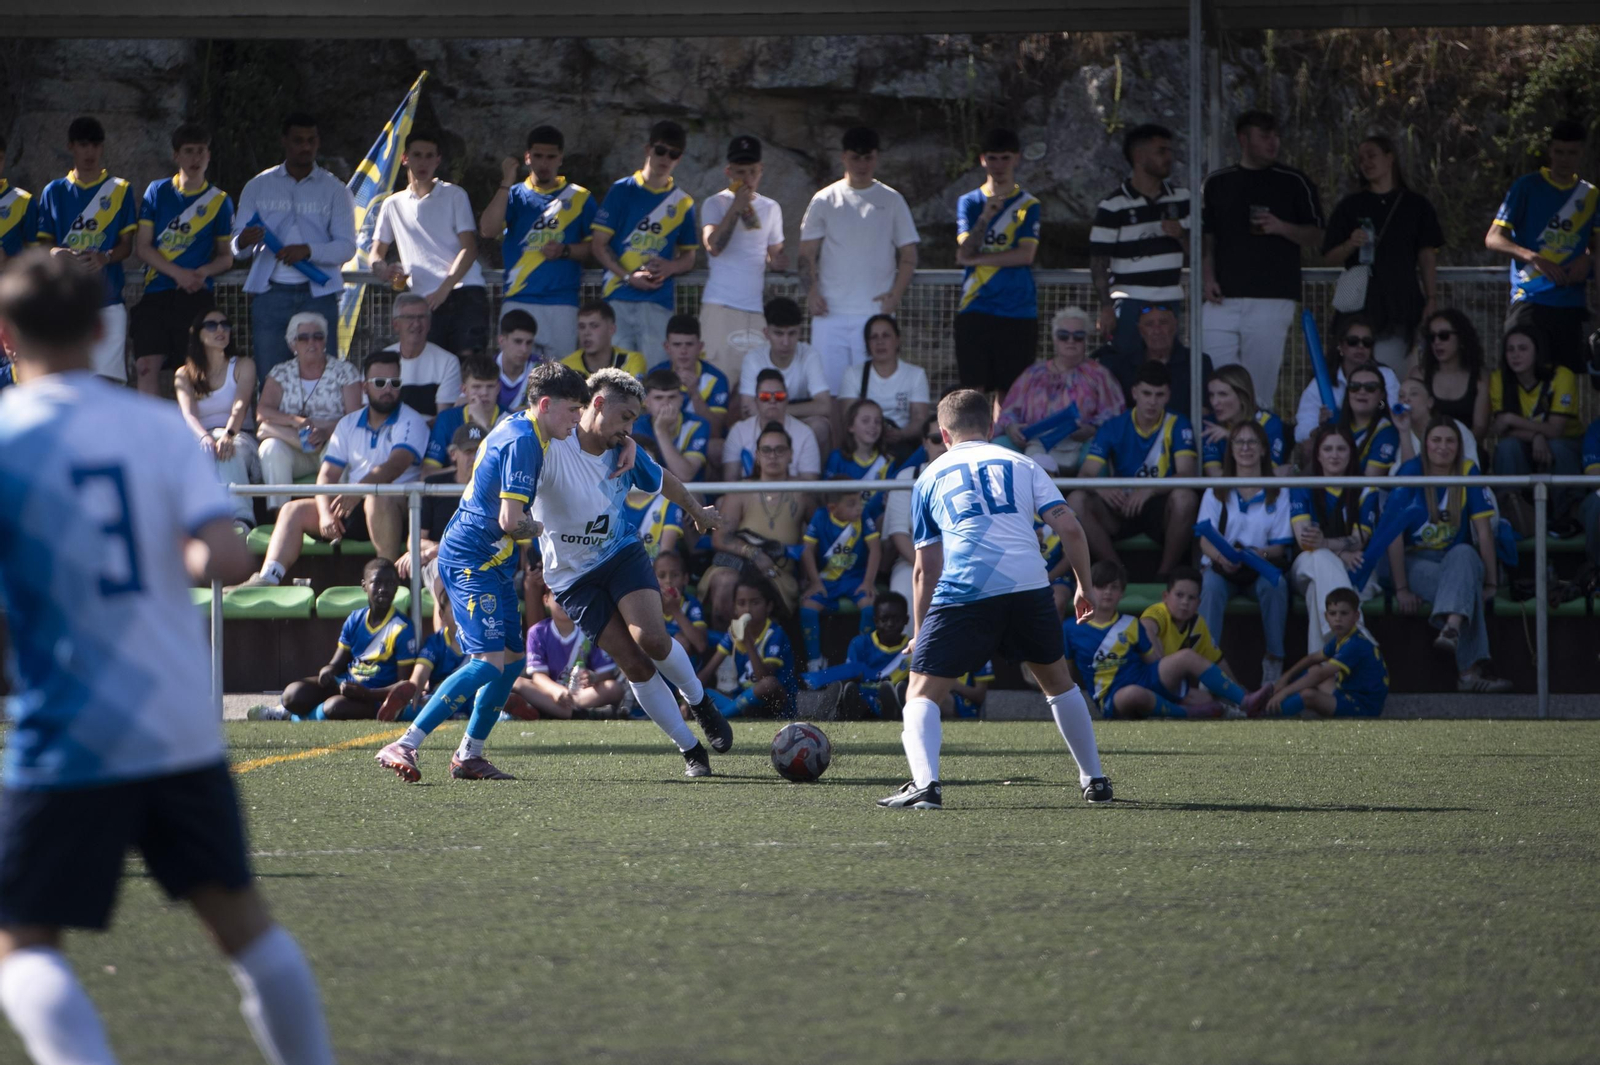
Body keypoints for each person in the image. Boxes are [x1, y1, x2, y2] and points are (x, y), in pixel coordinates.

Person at [0, 248, 336, 1065]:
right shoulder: (152, 426)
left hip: (68, 723)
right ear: (97, 329)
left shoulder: (8, 442)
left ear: (6, 337)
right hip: (178, 716)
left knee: (24, 943)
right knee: (244, 926)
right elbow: (223, 558)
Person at [880, 388, 1108, 811]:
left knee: (920, 693)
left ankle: (925, 786)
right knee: (1059, 684)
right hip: (1029, 585)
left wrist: (921, 629)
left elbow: (924, 568)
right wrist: (1084, 586)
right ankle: (1094, 780)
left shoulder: (928, 476)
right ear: (991, 428)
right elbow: (1072, 529)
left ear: (944, 436)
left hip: (966, 589)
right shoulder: (1024, 464)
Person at [377, 363, 592, 782]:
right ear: (546, 405)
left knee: (511, 664)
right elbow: (512, 520)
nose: (577, 419)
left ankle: (469, 755)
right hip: (472, 558)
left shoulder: (527, 427)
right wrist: (552, 530)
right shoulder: (525, 442)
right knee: (489, 662)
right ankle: (405, 742)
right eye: (572, 410)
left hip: (491, 559)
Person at [518, 368, 733, 775]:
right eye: (626, 417)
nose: (630, 428)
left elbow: (664, 479)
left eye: (635, 420)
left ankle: (701, 701)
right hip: (571, 580)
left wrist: (696, 511)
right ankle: (690, 749)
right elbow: (524, 421)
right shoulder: (549, 442)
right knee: (633, 664)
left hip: (620, 553)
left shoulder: (624, 449)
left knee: (651, 638)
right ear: (596, 404)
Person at [244, 351, 428, 585]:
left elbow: (395, 465)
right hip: (353, 503)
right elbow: (327, 474)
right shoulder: (348, 423)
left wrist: (358, 491)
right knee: (292, 510)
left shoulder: (411, 420)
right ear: (364, 387)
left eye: (395, 383)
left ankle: (387, 579)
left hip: (399, 508)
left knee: (377, 497)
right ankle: (268, 579)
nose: (388, 389)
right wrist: (324, 513)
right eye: (380, 383)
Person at [1201, 110, 1325, 408]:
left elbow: (1316, 234)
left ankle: (1257, 446)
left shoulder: (1295, 181)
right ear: (1244, 139)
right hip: (1222, 298)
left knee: (1258, 389)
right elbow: (1206, 237)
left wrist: (1281, 227)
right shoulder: (1217, 182)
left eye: (1275, 136)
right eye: (1264, 136)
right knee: (1217, 385)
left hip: (1272, 297)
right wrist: (1206, 277)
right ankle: (1221, 449)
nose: (1273, 143)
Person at [1384, 417, 1512, 694]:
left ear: (1459, 445)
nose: (1443, 447)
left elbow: (1484, 532)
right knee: (1466, 589)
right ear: (1425, 444)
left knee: (1465, 554)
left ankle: (1451, 626)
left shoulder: (1468, 470)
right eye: (1436, 440)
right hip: (1416, 561)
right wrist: (1402, 588)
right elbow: (1392, 535)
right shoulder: (1410, 471)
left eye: (1450, 441)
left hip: (1456, 560)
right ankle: (1468, 673)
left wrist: (1491, 582)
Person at [232, 112, 356, 381]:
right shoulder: (257, 186)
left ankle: (323, 425)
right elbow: (236, 248)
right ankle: (273, 424)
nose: (305, 147)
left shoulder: (335, 189)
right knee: (272, 377)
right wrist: (244, 239)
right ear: (284, 142)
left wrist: (309, 250)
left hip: (319, 294)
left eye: (311, 140)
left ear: (318, 143)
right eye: (298, 140)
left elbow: (347, 248)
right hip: (270, 293)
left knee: (324, 377)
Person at [1064, 560, 1270, 719]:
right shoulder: (1071, 628)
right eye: (1101, 586)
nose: (1108, 592)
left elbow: (1153, 661)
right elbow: (1066, 671)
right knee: (1134, 694)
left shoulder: (1130, 623)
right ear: (1087, 589)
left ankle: (1245, 701)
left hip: (1144, 678)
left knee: (1187, 658)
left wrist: (1174, 680)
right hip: (1112, 695)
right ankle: (1185, 712)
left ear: (1122, 593)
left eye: (1114, 587)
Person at [798, 127, 920, 393]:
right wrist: (812, 291)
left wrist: (895, 295)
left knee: (871, 394)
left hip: (874, 314)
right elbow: (806, 252)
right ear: (844, 157)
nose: (862, 164)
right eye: (856, 157)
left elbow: (909, 255)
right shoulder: (824, 199)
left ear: (876, 157)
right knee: (829, 392)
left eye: (868, 158)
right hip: (830, 314)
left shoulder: (892, 200)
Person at [1319, 134, 1443, 376]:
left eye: (1372, 155)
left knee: (1396, 372)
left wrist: (1431, 297)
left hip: (1400, 302)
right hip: (1358, 302)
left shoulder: (1417, 205)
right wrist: (1350, 245)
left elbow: (1427, 255)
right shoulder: (1349, 206)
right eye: (1361, 159)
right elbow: (1328, 256)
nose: (1366, 162)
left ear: (1390, 158)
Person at [1067, 361, 1200, 579]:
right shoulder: (1113, 425)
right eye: (1147, 393)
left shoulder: (1178, 423)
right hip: (1121, 507)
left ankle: (1165, 575)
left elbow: (1187, 474)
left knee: (1185, 498)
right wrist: (1103, 489)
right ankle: (1117, 573)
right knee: (1076, 500)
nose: (1152, 401)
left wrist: (1150, 490)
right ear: (1135, 392)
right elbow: (1086, 474)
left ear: (1168, 396)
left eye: (1159, 395)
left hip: (1160, 507)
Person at [1485, 119, 1598, 375]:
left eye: (1572, 153)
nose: (1564, 159)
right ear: (1550, 151)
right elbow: (1493, 238)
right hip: (1529, 298)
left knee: (1566, 382)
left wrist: (1589, 259)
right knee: (1520, 375)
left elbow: (1596, 249)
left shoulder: (1590, 195)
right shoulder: (1527, 186)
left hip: (1570, 303)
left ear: (1582, 153)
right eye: (1559, 152)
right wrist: (1533, 257)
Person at [131, 123, 235, 395]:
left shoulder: (220, 201)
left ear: (209, 155)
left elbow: (226, 258)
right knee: (145, 365)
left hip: (197, 294)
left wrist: (201, 272)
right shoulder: (157, 191)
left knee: (193, 370)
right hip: (157, 292)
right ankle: (146, 436)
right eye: (188, 152)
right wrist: (178, 273)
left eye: (201, 151)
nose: (195, 158)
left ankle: (193, 435)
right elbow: (142, 247)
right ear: (176, 156)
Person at [35, 116, 137, 384]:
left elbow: (127, 246)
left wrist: (106, 257)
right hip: (64, 301)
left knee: (108, 385)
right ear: (71, 147)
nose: (89, 151)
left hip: (109, 302)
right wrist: (55, 253)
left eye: (95, 144)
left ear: (102, 148)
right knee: (64, 383)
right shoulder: (53, 191)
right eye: (83, 144)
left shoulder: (120, 189)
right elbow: (43, 245)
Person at [254, 559, 420, 722]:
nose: (383, 589)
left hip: (374, 697)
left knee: (334, 707)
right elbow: (337, 663)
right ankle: (286, 710)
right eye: (377, 583)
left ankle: (291, 715)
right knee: (292, 694)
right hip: (346, 685)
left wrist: (366, 693)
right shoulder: (355, 618)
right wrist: (329, 671)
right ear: (364, 586)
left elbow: (402, 686)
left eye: (390, 584)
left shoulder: (402, 627)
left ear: (397, 587)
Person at [480, 125, 595, 361]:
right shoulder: (513, 194)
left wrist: (565, 250)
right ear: (527, 157)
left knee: (562, 376)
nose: (544, 163)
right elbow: (487, 230)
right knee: (513, 372)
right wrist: (506, 181)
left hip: (562, 301)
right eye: (538, 156)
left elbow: (597, 247)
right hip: (518, 299)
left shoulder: (581, 197)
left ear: (560, 158)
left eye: (551, 157)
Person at [371, 131, 487, 358]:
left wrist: (445, 288)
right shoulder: (392, 204)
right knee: (432, 368)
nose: (422, 162)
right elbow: (376, 253)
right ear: (405, 158)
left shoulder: (455, 195)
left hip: (464, 292)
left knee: (470, 368)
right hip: (423, 301)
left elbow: (469, 248)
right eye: (417, 155)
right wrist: (383, 270)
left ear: (437, 160)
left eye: (429, 156)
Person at [1197, 419, 1293, 685]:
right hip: (1222, 566)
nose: (1246, 448)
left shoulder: (1278, 490)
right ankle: (1207, 668)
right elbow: (1204, 540)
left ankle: (1274, 661)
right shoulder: (1217, 489)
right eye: (1239, 442)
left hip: (1260, 566)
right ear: (1231, 449)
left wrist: (1254, 555)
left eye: (1253, 442)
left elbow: (1280, 546)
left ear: (1264, 450)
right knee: (1211, 587)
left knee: (1276, 585)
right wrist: (1221, 557)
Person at [590, 120, 699, 354]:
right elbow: (599, 245)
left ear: (678, 159)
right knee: (617, 381)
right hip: (618, 299)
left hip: (657, 302)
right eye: (660, 150)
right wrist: (629, 277)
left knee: (655, 379)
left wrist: (671, 266)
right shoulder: (621, 190)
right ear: (647, 149)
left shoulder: (683, 202)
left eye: (673, 154)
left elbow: (689, 256)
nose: (665, 158)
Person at [954, 128, 1041, 400]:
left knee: (1011, 394)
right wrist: (984, 219)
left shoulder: (1028, 204)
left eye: (1005, 158)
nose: (999, 165)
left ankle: (1005, 443)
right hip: (976, 306)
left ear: (1016, 159)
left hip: (1017, 310)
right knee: (973, 393)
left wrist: (977, 259)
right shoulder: (969, 202)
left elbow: (1025, 255)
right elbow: (963, 250)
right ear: (983, 160)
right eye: (992, 158)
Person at [1090, 123, 1191, 358]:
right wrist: (1106, 307)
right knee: (1126, 366)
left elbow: (1199, 252)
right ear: (1139, 156)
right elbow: (1098, 261)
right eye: (1161, 151)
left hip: (1170, 300)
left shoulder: (1184, 198)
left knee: (1167, 370)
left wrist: (1182, 235)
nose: (1169, 158)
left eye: (1170, 151)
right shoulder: (1113, 205)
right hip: (1128, 302)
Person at [701, 423, 815, 627]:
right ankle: (728, 651)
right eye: (766, 450)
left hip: (778, 573)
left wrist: (811, 577)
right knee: (724, 580)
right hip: (738, 565)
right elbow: (720, 538)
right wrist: (754, 553)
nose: (773, 456)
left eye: (780, 450)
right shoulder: (741, 490)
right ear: (757, 455)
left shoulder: (803, 491)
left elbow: (817, 536)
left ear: (790, 455)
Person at [254, 310, 363, 513]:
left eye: (317, 336)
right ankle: (279, 513)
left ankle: (336, 514)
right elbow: (262, 411)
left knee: (340, 444)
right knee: (270, 447)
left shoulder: (345, 371)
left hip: (332, 441)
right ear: (292, 344)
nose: (311, 342)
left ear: (325, 341)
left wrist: (326, 431)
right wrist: (296, 421)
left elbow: (355, 417)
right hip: (294, 444)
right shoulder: (280, 372)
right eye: (303, 338)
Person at [700, 135, 786, 391]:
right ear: (728, 172)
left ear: (761, 171)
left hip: (755, 309)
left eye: (752, 171)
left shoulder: (771, 207)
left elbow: (774, 254)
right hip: (720, 306)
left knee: (754, 384)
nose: (747, 178)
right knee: (717, 382)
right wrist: (736, 207)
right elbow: (713, 245)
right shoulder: (715, 203)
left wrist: (779, 261)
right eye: (740, 172)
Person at [995, 306, 1125, 473]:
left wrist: (1092, 428)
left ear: (1086, 339)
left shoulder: (1099, 375)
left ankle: (1084, 497)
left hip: (1079, 442)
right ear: (1054, 339)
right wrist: (1012, 428)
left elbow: (1115, 414)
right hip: (1032, 442)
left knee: (1096, 455)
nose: (1070, 341)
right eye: (1064, 336)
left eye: (1078, 336)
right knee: (1000, 447)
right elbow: (1008, 411)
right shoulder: (1033, 374)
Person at [1290, 424, 1380, 652]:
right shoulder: (1302, 485)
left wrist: (1326, 544)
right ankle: (1356, 636)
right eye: (1328, 449)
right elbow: (1306, 542)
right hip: (1306, 564)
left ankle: (1321, 670)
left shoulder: (1365, 487)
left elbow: (1360, 540)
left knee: (1316, 592)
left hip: (1356, 570)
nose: (1334, 455)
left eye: (1341, 449)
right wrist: (1338, 551)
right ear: (1317, 454)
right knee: (1318, 557)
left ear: (1351, 453)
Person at [1488, 323, 1585, 534]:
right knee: (1507, 447)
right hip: (1525, 447)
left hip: (1567, 447)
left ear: (1537, 351)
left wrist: (1514, 419)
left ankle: (1567, 518)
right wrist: (1537, 435)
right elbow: (1500, 429)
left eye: (1523, 349)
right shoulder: (1498, 379)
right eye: (1510, 349)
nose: (1515, 355)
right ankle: (1513, 516)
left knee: (1558, 446)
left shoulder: (1562, 376)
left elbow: (1556, 431)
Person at [173, 309, 259, 530]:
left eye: (225, 324)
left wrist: (228, 435)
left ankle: (241, 519)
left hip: (239, 436)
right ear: (199, 334)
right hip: (201, 437)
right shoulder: (184, 374)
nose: (220, 329)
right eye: (212, 325)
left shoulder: (243, 365)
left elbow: (240, 406)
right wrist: (203, 437)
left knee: (225, 449)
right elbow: (188, 414)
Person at [1263, 588, 1389, 718]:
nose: (1338, 619)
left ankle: (1269, 714)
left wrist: (1285, 692)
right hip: (1348, 693)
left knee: (1308, 695)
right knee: (1313, 669)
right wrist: (1285, 678)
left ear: (1356, 616)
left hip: (1363, 708)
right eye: (1333, 614)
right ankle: (1277, 704)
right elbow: (1312, 658)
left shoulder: (1355, 644)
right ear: (1326, 617)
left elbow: (1320, 675)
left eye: (1344, 613)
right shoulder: (1342, 638)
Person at [736, 297, 834, 456]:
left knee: (821, 427)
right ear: (766, 333)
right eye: (779, 333)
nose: (786, 342)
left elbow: (825, 406)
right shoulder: (753, 359)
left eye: (792, 333)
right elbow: (747, 411)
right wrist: (801, 408)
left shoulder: (809, 355)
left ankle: (816, 480)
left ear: (800, 332)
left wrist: (774, 409)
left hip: (797, 425)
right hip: (763, 427)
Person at [508, 591, 625, 720]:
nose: (563, 602)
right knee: (518, 683)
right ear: (546, 600)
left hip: (581, 695)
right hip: (549, 692)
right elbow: (539, 676)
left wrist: (592, 677)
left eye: (569, 596)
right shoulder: (537, 632)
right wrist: (556, 691)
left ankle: (550, 710)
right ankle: (579, 714)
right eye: (557, 596)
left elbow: (605, 673)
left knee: (614, 688)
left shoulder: (591, 630)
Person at [1291, 312, 1402, 448]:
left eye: (1367, 342)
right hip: (1336, 451)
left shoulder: (1386, 375)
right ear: (1341, 346)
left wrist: (1375, 408)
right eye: (1353, 341)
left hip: (1377, 442)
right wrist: (1320, 428)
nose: (1360, 347)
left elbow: (1397, 415)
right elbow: (1301, 431)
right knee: (1309, 447)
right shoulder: (1321, 383)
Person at [799, 487, 880, 670]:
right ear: (833, 508)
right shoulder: (821, 516)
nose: (858, 507)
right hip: (826, 580)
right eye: (851, 504)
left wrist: (868, 581)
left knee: (869, 608)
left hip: (855, 579)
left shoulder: (863, 515)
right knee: (808, 609)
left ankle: (863, 658)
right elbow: (807, 550)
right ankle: (815, 661)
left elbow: (875, 548)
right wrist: (815, 582)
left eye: (859, 502)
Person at [697, 571, 798, 716]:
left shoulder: (775, 634)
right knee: (701, 692)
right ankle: (735, 711)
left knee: (768, 684)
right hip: (744, 701)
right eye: (741, 603)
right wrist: (687, 692)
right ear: (735, 608)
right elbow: (708, 670)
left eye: (755, 602)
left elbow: (765, 679)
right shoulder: (734, 631)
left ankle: (724, 715)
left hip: (774, 703)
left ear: (768, 606)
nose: (747, 609)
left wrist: (749, 643)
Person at [1138, 567, 1240, 705]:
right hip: (1141, 680)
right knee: (1186, 656)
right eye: (1179, 595)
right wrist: (1162, 666)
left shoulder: (1198, 623)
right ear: (1165, 597)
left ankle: (1242, 700)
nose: (1185, 602)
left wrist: (1239, 690)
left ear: (1198, 603)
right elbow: (1146, 628)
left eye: (1191, 598)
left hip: (1169, 686)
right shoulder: (1158, 611)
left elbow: (1218, 662)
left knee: (1206, 700)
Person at [833, 314, 930, 459]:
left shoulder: (916, 374)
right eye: (874, 337)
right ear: (867, 343)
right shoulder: (853, 374)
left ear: (897, 340)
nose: (880, 342)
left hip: (902, 444)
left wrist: (901, 434)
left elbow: (920, 419)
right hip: (863, 445)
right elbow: (848, 417)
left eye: (886, 335)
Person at [1095, 303, 1212, 421]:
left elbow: (1205, 411)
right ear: (1140, 330)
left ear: (1175, 326)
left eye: (1163, 323)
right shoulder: (1122, 366)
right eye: (1149, 324)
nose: (1157, 330)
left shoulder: (1199, 362)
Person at [883, 414, 945, 623]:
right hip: (912, 561)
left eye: (949, 438)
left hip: (961, 563)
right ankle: (910, 656)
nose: (943, 445)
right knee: (904, 595)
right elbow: (899, 534)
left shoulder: (973, 476)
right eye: (937, 439)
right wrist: (930, 567)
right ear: (925, 443)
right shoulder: (907, 476)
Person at [646, 313, 730, 450]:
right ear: (667, 347)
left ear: (700, 347)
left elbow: (715, 431)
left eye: (689, 344)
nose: (683, 351)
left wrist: (694, 393)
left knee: (717, 448)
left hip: (699, 440)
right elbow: (645, 419)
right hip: (662, 438)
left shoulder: (717, 379)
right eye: (677, 345)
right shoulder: (655, 374)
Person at [722, 368, 822, 480]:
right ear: (756, 401)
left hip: (791, 496)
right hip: (748, 496)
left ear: (787, 399)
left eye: (779, 396)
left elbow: (809, 487)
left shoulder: (805, 434)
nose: (772, 401)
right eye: (765, 397)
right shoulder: (738, 431)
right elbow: (730, 483)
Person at [826, 593, 913, 720]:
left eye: (896, 619)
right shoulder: (859, 644)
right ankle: (852, 710)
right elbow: (852, 675)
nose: (890, 624)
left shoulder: (912, 648)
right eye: (884, 619)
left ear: (906, 620)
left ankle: (895, 709)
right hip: (864, 697)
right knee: (851, 690)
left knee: (904, 691)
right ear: (875, 621)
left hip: (894, 695)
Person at [1416, 308, 1491, 442]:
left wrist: (1455, 449)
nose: (1437, 342)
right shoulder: (1420, 374)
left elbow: (1480, 428)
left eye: (1444, 336)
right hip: (1427, 450)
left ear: (1461, 338)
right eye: (1432, 337)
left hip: (1467, 450)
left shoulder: (1479, 376)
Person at [384, 293, 462, 420]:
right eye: (409, 318)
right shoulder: (380, 361)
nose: (416, 324)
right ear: (396, 325)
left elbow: (443, 418)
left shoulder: (448, 362)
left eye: (421, 317)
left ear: (430, 323)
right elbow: (372, 412)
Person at [1201, 364, 1287, 476]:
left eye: (1223, 394)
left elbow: (1267, 475)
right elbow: (1215, 476)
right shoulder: (1211, 424)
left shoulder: (1269, 423)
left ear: (1242, 396)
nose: (1214, 402)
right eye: (1211, 395)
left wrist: (1232, 437)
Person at [634, 367, 711, 484]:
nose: (666, 403)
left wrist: (661, 432)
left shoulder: (698, 425)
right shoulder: (635, 426)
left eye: (672, 397)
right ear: (646, 402)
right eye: (658, 398)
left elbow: (685, 475)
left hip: (688, 492)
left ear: (681, 399)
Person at [1392, 374, 1478, 472]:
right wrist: (1404, 432)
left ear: (1430, 402)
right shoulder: (1399, 432)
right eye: (1401, 395)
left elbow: (1472, 470)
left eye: (1414, 394)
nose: (1406, 400)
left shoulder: (1455, 428)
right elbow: (1406, 477)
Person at [825, 399, 890, 521]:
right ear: (850, 426)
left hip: (875, 524)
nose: (873, 426)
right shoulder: (837, 458)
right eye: (865, 421)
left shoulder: (888, 461)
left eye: (878, 422)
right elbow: (828, 497)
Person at [1338, 363, 1401, 477]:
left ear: (1382, 395)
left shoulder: (1387, 431)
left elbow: (1370, 480)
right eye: (1354, 387)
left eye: (1370, 387)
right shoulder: (1336, 423)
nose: (1361, 392)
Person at [561, 299, 647, 378]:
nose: (586, 333)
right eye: (582, 327)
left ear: (611, 329)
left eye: (594, 326)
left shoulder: (631, 360)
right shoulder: (566, 367)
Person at [655, 549, 708, 661]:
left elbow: (701, 645)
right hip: (654, 667)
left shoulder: (691, 604)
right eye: (661, 576)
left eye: (675, 575)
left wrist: (676, 611)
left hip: (682, 672)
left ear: (685, 579)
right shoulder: (648, 604)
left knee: (680, 641)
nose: (668, 581)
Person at [0, 134, 38, 269]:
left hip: (9, 286)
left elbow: (36, 257)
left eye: (0, 159)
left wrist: (8, 260)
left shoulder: (24, 201)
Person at [494, 309, 540, 411]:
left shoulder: (541, 370)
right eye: (518, 341)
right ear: (501, 340)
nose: (524, 349)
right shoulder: (484, 370)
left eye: (529, 343)